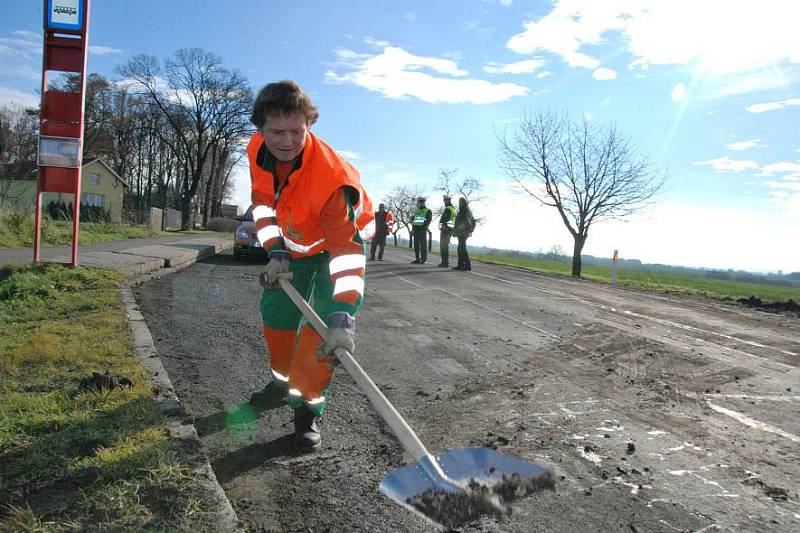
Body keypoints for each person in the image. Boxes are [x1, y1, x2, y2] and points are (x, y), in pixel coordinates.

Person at [247, 80, 374, 450]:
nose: (287, 141)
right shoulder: (256, 152)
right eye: (277, 132)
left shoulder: (332, 181)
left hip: (334, 249)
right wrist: (275, 251)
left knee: (320, 338)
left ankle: (305, 412)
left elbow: (346, 253)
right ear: (261, 128)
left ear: (309, 126)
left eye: (297, 132)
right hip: (294, 248)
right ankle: (280, 383)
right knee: (277, 316)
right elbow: (263, 205)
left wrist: (342, 317)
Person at [452, 196, 475, 271]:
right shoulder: (469, 210)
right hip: (465, 232)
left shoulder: (463, 209)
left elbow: (460, 221)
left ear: (461, 202)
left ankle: (465, 265)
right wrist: (470, 230)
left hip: (462, 232)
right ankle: (462, 264)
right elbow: (473, 221)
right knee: (460, 248)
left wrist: (456, 230)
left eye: (459, 202)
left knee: (461, 248)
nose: (459, 203)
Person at [410, 196, 432, 264]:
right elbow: (413, 220)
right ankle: (417, 259)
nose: (421, 203)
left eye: (422, 202)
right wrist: (412, 229)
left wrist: (424, 226)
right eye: (420, 202)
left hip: (422, 230)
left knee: (423, 246)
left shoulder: (428, 211)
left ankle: (423, 260)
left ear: (424, 203)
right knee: (416, 245)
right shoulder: (416, 211)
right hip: (416, 230)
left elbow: (428, 220)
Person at [437, 195, 456, 267]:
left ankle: (444, 262)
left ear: (448, 200)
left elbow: (444, 219)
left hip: (445, 230)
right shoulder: (454, 209)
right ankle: (445, 262)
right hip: (450, 229)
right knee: (446, 246)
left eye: (445, 200)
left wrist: (442, 225)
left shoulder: (448, 209)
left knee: (443, 246)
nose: (444, 202)